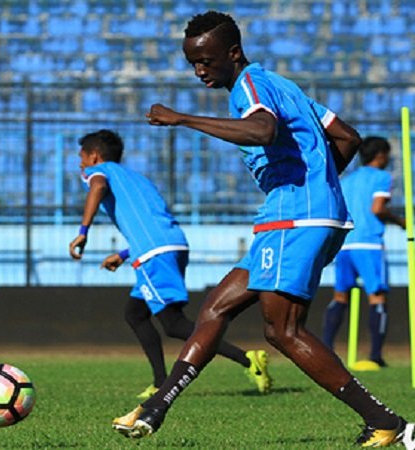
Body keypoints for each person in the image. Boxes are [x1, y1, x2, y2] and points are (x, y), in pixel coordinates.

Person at [111, 11, 408, 447]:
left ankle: (387, 423)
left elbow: (262, 130)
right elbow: (347, 136)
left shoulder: (250, 86)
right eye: (193, 63)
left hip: (294, 218)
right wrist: (319, 185)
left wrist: (183, 119)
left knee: (283, 331)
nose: (199, 71)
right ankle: (155, 409)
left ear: (233, 53)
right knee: (215, 308)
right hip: (296, 216)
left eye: (207, 61)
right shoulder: (284, 86)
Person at [68, 129, 271, 399]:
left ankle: (248, 359)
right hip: (171, 244)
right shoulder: (138, 179)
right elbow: (150, 220)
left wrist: (83, 232)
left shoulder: (98, 173)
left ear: (93, 156)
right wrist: (125, 254)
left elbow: (98, 186)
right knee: (136, 314)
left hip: (155, 252)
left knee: (174, 324)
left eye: (81, 156)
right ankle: (160, 381)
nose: (80, 162)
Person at [323, 137, 406, 367]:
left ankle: (326, 350)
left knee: (340, 296)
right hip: (368, 245)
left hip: (345, 244)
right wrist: (400, 221)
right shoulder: (382, 177)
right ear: (380, 154)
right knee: (377, 297)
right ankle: (376, 356)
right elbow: (377, 209)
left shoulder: (348, 180)